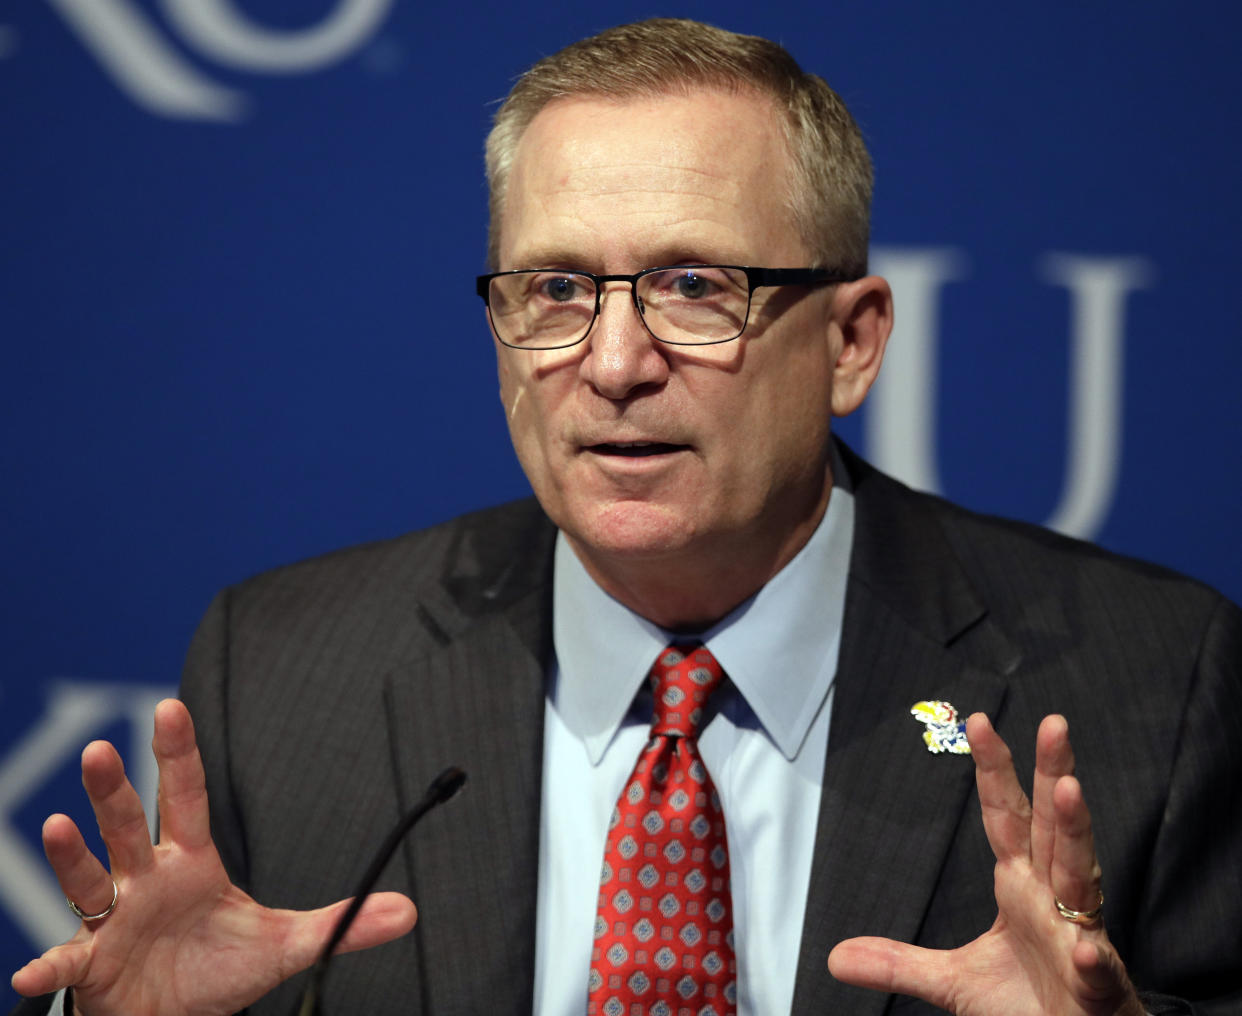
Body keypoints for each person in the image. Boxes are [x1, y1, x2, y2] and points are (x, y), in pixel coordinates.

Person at [10, 18, 1241, 1016]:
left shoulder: (1156, 682)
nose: (610, 363)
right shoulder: (278, 671)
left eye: (695, 285)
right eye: (554, 289)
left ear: (853, 342)